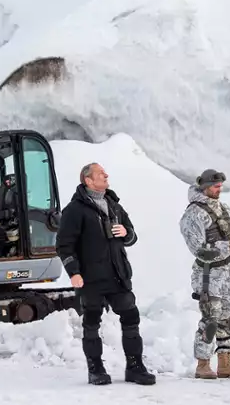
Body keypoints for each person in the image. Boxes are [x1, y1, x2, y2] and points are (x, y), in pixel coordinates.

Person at [56, 162, 156, 386]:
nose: (106, 175)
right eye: (101, 173)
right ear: (88, 180)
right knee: (91, 322)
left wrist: (126, 233)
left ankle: (135, 367)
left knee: (131, 317)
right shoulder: (74, 210)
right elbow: (64, 246)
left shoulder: (114, 205)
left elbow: (132, 236)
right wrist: (73, 272)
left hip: (118, 274)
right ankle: (96, 369)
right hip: (90, 278)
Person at [178, 168, 230, 379]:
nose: (220, 189)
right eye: (216, 186)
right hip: (208, 273)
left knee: (227, 317)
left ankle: (225, 363)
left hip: (226, 270)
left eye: (221, 186)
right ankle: (203, 364)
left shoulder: (221, 208)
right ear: (205, 186)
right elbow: (199, 249)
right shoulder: (193, 214)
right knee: (210, 318)